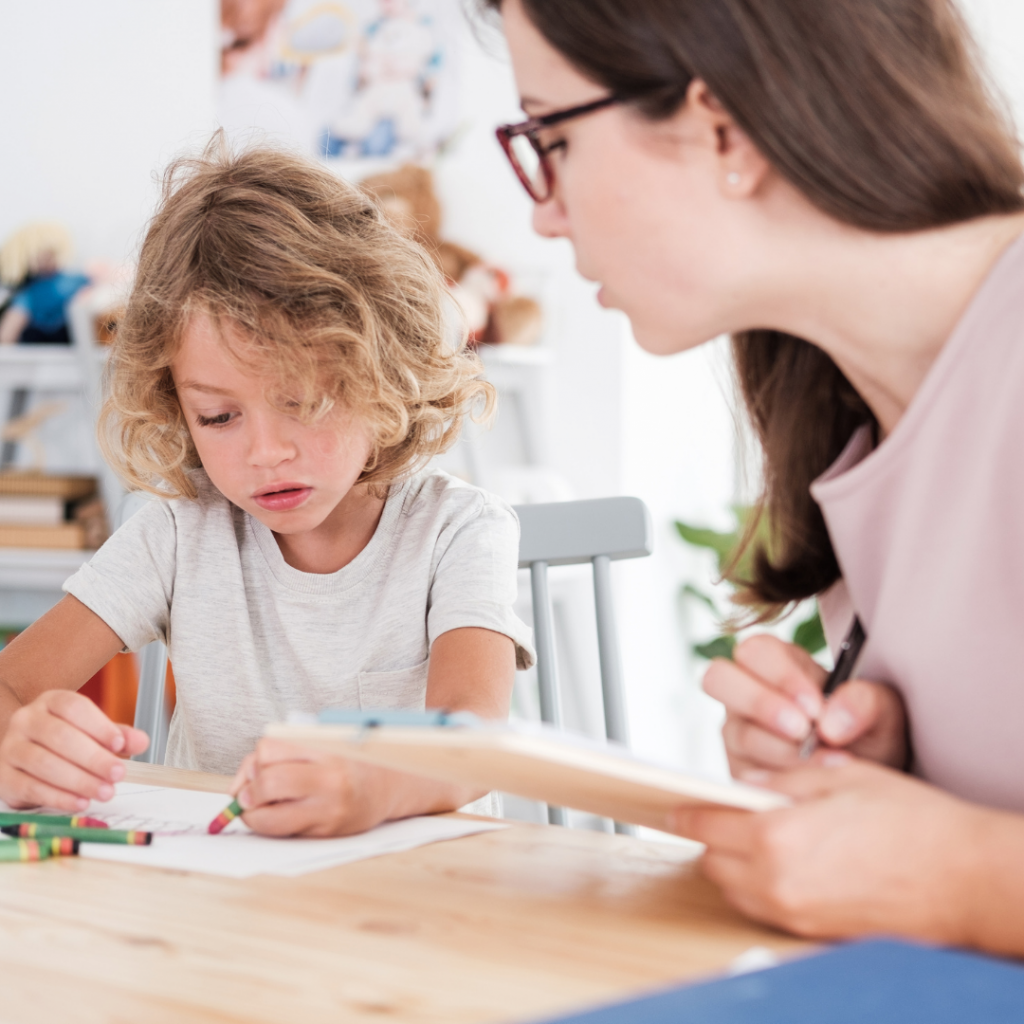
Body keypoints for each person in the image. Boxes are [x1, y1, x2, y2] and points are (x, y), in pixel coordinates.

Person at [485, 0, 1024, 955]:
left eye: (548, 135)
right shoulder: (858, 413)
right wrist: (888, 777)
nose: (543, 209)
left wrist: (964, 874)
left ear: (721, 127)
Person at [0, 140, 534, 837]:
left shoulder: (459, 532)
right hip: (229, 907)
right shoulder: (179, 531)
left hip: (422, 904)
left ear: (383, 372)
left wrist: (374, 786)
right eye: (218, 416)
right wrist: (19, 743)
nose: (265, 453)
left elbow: (473, 741)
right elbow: (10, 686)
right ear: (175, 406)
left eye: (305, 401)